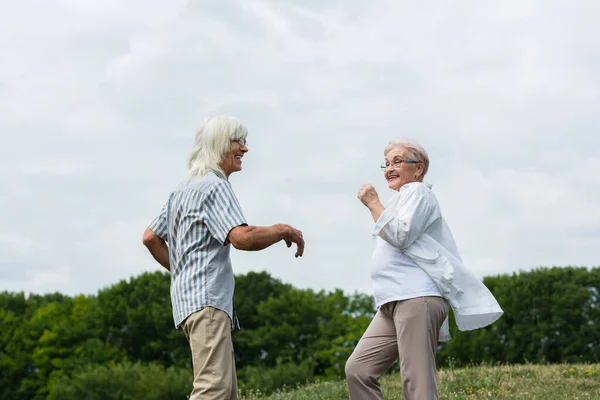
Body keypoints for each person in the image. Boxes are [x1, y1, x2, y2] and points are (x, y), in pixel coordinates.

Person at [142, 116, 304, 400]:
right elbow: (242, 238)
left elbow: (150, 237)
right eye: (238, 141)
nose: (245, 148)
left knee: (226, 393)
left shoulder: (181, 190)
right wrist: (282, 230)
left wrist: (182, 272)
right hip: (207, 301)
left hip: (190, 302)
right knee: (214, 389)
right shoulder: (215, 186)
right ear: (219, 145)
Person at [345, 139, 503, 400]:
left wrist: (373, 202)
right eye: (387, 163)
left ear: (418, 169)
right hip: (391, 301)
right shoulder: (399, 202)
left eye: (397, 161)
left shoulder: (419, 193)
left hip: (417, 297)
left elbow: (401, 235)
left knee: (416, 380)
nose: (389, 168)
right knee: (358, 369)